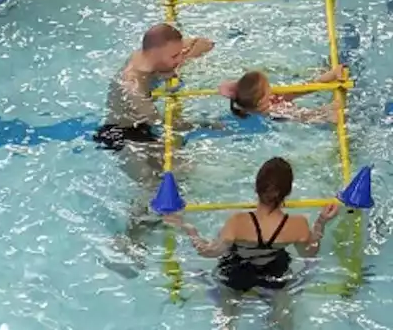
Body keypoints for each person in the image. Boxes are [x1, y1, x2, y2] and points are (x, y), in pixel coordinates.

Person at [164, 157, 340, 323]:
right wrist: (321, 222)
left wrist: (190, 230)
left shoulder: (237, 222)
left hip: (235, 272)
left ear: (257, 188)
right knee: (284, 318)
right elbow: (309, 252)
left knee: (226, 318)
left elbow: (208, 252)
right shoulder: (297, 225)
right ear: (288, 192)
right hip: (274, 274)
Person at [94, 24, 214, 156]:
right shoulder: (133, 85)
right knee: (181, 168)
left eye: (180, 53)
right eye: (174, 56)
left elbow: (205, 43)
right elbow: (161, 123)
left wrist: (181, 59)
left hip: (143, 125)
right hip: (125, 137)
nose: (180, 59)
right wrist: (205, 124)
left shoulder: (150, 55)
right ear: (155, 54)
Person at [219, 66, 342, 123]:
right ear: (261, 101)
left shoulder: (258, 96)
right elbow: (303, 117)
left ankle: (330, 76)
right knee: (303, 115)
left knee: (301, 88)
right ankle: (327, 115)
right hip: (277, 112)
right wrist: (324, 113)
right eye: (268, 88)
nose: (272, 89)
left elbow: (224, 87)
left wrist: (330, 76)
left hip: (268, 103)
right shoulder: (273, 111)